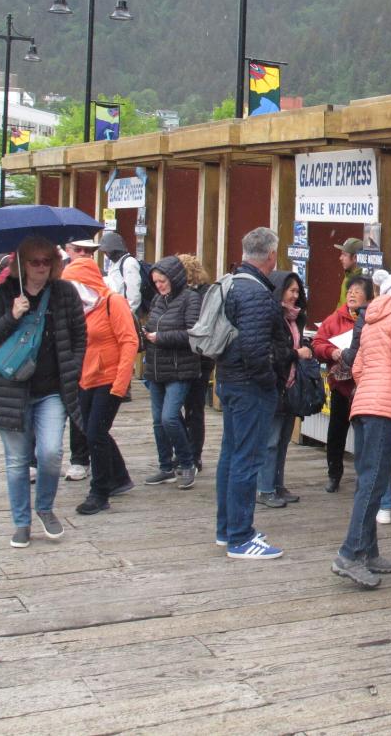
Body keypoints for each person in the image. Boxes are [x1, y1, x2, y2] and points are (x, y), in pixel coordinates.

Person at [0, 237, 87, 548]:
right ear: (21, 264)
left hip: (52, 388)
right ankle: (21, 522)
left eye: (46, 261)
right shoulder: (5, 292)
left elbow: (80, 336)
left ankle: (45, 507)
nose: (41, 267)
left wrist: (74, 368)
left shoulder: (65, 292)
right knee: (17, 460)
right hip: (11, 388)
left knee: (51, 454)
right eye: (34, 262)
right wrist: (11, 315)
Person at [331, 273, 391, 590]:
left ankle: (369, 551)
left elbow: (356, 366)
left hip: (364, 403)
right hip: (383, 406)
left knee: (367, 478)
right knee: (373, 482)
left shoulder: (372, 318)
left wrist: (369, 388)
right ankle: (350, 553)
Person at [214, 227, 287, 559]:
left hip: (229, 381)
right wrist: (269, 381)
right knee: (246, 460)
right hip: (249, 388)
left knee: (231, 455)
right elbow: (255, 348)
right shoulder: (256, 293)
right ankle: (240, 537)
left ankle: (227, 529)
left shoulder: (230, 282)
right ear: (271, 255)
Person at [61, 255, 139, 515]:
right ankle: (120, 477)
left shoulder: (113, 302)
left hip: (110, 377)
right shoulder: (81, 309)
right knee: (94, 431)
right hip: (86, 378)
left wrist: (121, 382)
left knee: (95, 433)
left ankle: (100, 491)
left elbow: (130, 342)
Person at [141, 256, 202, 491]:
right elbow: (155, 324)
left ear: (174, 278)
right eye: (156, 282)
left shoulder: (191, 298)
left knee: (169, 417)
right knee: (158, 421)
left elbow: (193, 333)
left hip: (180, 368)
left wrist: (161, 337)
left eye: (162, 280)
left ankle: (187, 463)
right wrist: (146, 332)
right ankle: (165, 466)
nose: (159, 285)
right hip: (157, 367)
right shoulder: (158, 299)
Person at [256, 270, 311, 508]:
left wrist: (305, 345)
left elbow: (293, 345)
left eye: (298, 292)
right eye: (291, 291)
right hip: (274, 384)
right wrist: (296, 353)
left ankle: (277, 484)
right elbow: (273, 352)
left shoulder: (296, 318)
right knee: (270, 440)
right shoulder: (271, 318)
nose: (295, 296)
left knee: (283, 440)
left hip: (290, 386)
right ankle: (264, 488)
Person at [314, 276, 373, 493]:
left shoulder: (372, 318)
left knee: (365, 435)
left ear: (368, 295)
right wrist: (332, 352)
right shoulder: (335, 319)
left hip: (365, 388)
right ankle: (334, 473)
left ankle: (364, 478)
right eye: (350, 291)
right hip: (341, 386)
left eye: (357, 291)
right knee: (336, 432)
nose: (352, 294)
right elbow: (317, 343)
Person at [59, 237, 101, 480]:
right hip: (60, 353)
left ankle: (80, 458)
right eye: (79, 249)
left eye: (90, 250)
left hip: (89, 359)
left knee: (79, 408)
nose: (85, 253)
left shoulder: (101, 282)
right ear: (68, 249)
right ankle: (35, 459)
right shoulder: (61, 279)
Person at [177, 254, 213, 470]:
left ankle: (192, 453)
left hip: (197, 357)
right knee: (193, 408)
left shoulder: (195, 295)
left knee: (191, 407)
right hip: (203, 357)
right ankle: (191, 452)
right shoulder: (207, 292)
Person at [99, 231, 143, 315]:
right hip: (117, 309)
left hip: (125, 312)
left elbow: (134, 293)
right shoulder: (114, 263)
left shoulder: (129, 263)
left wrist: (128, 313)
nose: (106, 255)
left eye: (107, 252)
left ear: (114, 250)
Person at [334, 237, 365, 311]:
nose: (340, 258)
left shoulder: (363, 282)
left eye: (344, 255)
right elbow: (341, 305)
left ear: (355, 258)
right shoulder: (348, 275)